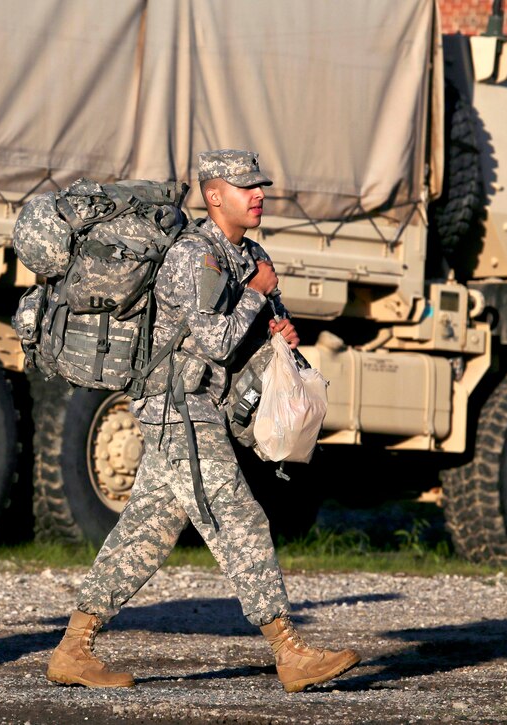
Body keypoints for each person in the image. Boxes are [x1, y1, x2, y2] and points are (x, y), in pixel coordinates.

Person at [46, 150, 359, 693]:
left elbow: (260, 325)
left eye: (260, 185)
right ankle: (290, 652)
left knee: (147, 528)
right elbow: (215, 338)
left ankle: (73, 649)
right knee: (237, 516)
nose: (258, 194)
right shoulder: (196, 254)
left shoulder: (249, 253)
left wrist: (278, 332)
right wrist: (257, 297)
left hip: (202, 405)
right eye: (244, 188)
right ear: (214, 196)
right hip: (173, 403)